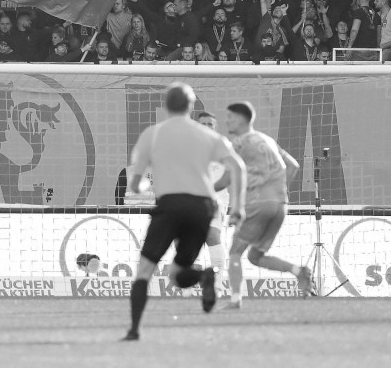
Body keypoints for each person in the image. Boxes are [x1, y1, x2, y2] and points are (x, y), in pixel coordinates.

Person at [123, 83, 245, 341]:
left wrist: (141, 185)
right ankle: (206, 275)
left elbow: (135, 180)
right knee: (177, 273)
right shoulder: (210, 137)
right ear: (191, 107)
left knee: (144, 272)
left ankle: (134, 330)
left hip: (170, 205)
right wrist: (239, 206)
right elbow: (238, 168)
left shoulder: (153, 134)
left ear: (166, 106)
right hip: (202, 208)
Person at [223, 100, 312, 308]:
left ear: (240, 119)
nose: (226, 121)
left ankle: (235, 299)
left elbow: (228, 177)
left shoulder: (239, 143)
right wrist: (276, 191)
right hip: (280, 205)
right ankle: (298, 271)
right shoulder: (268, 140)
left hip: (258, 204)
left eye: (229, 117)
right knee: (255, 256)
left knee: (235, 252)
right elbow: (293, 166)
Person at [194, 110, 230, 295]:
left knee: (212, 236)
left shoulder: (224, 146)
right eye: (203, 124)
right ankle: (191, 285)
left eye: (210, 124)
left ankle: (217, 283)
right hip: (191, 199)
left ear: (216, 128)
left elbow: (233, 172)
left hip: (215, 200)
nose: (207, 127)